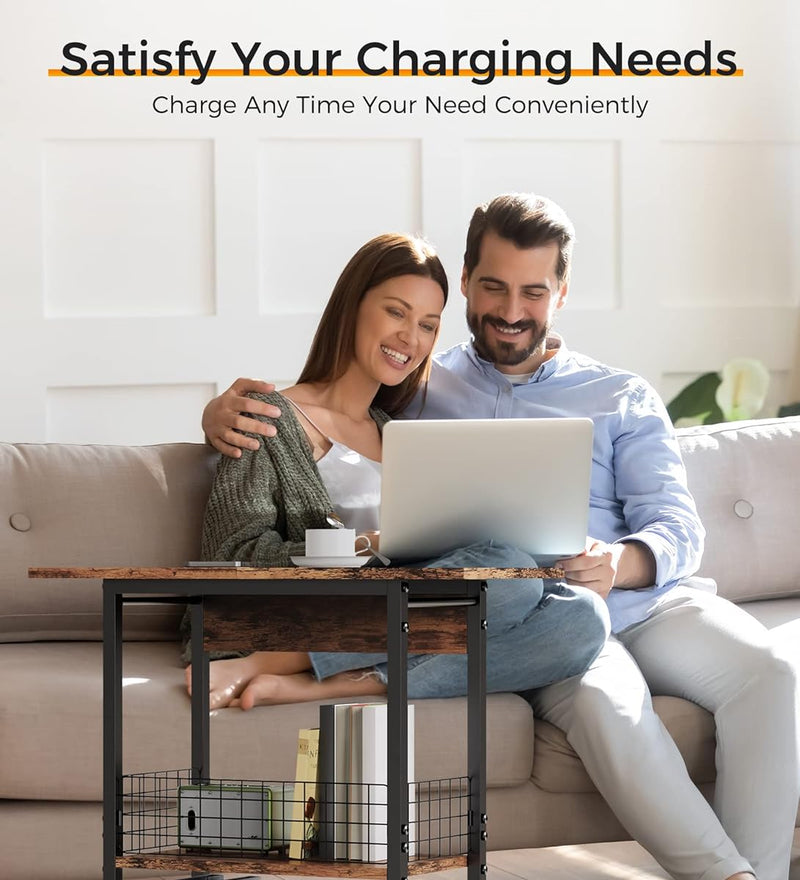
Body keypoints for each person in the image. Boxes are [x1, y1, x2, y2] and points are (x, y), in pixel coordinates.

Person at [202, 194, 800, 880]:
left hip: (629, 601)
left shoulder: (616, 393)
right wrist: (221, 413)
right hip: (537, 616)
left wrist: (619, 560)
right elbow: (311, 435)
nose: (510, 311)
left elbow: (677, 527)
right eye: (492, 289)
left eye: (532, 293)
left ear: (561, 294)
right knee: (583, 668)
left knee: (769, 669)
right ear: (473, 287)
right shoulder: (421, 384)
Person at [193, 231, 609, 712]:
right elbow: (231, 558)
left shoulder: (403, 432)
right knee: (508, 576)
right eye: (396, 312)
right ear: (353, 305)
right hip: (310, 613)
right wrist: (369, 543)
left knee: (582, 618)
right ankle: (272, 660)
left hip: (408, 615)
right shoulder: (265, 415)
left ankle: (343, 681)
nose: (411, 338)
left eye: (429, 325)